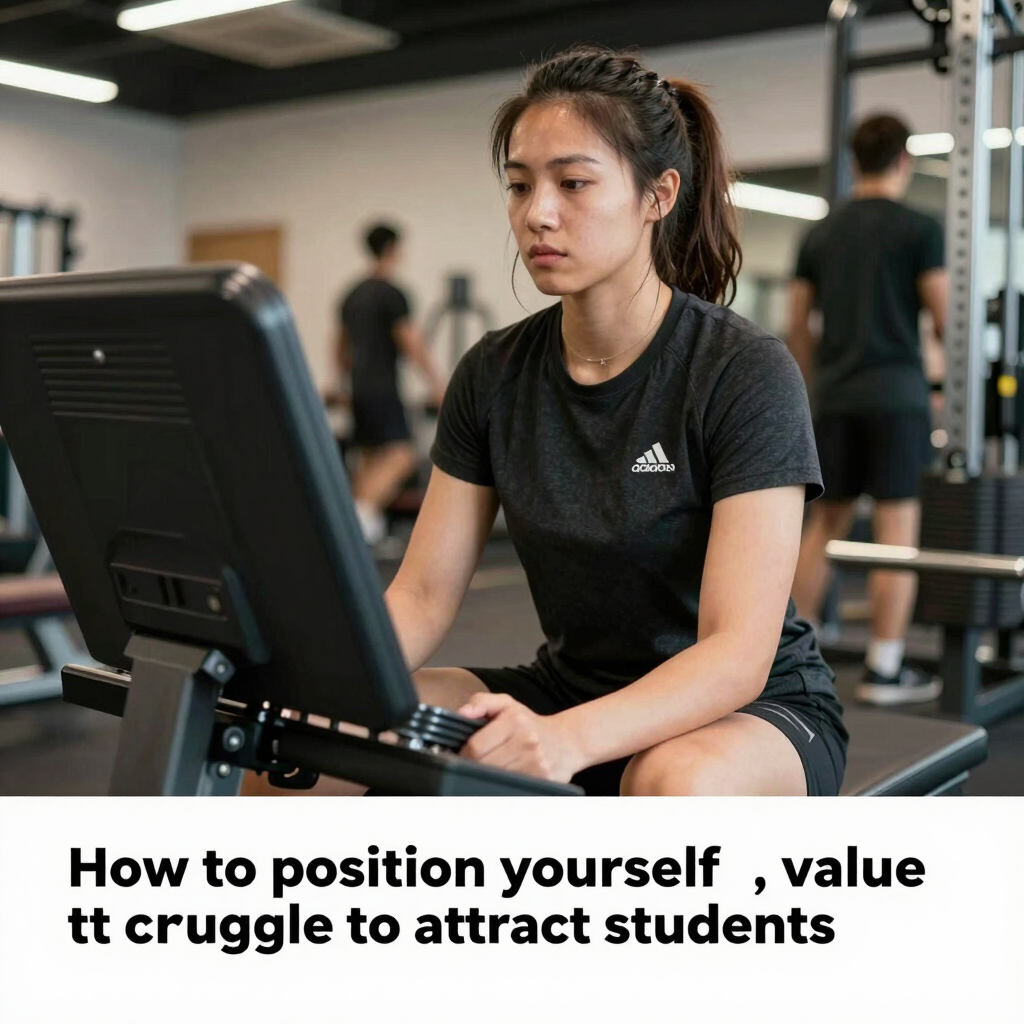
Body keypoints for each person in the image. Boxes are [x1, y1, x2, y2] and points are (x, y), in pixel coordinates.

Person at [381, 44, 847, 796]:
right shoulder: (492, 374)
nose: (537, 212)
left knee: (671, 780)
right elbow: (421, 596)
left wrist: (564, 740)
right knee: (328, 732)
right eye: (520, 184)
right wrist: (316, 676)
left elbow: (737, 651)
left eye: (572, 183)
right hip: (571, 689)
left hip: (749, 708)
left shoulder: (741, 370)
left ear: (658, 195)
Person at [789, 114, 948, 706]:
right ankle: (884, 669)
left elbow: (796, 323)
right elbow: (943, 317)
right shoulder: (919, 228)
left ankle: (783, 660)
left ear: (855, 161)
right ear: (903, 161)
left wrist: (813, 386)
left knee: (824, 529)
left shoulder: (822, 232)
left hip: (835, 397)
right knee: (894, 535)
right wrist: (938, 379)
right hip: (897, 400)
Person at [336, 223, 447, 547]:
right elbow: (410, 340)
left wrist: (342, 383)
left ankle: (362, 527)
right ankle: (358, 525)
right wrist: (436, 383)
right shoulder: (391, 292)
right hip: (382, 387)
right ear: (392, 249)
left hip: (358, 387)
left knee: (370, 458)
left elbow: (341, 346)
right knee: (402, 455)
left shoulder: (351, 294)